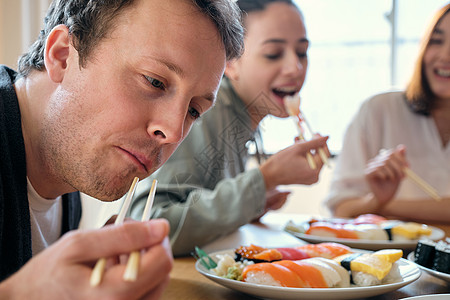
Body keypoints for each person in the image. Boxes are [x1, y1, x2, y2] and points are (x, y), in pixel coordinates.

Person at [0, 0, 243, 298]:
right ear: (63, 56)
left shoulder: (67, 162)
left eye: (193, 110)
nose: (173, 132)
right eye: (154, 81)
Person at [129, 0, 330, 256]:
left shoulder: (245, 119)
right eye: (273, 54)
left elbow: (202, 199)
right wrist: (265, 179)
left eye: (301, 52)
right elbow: (151, 223)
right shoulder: (206, 113)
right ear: (230, 63)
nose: (296, 68)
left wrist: (255, 202)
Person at [325, 3, 450, 223]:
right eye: (436, 40)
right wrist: (376, 200)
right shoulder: (378, 111)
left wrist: (384, 206)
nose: (446, 55)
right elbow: (341, 211)